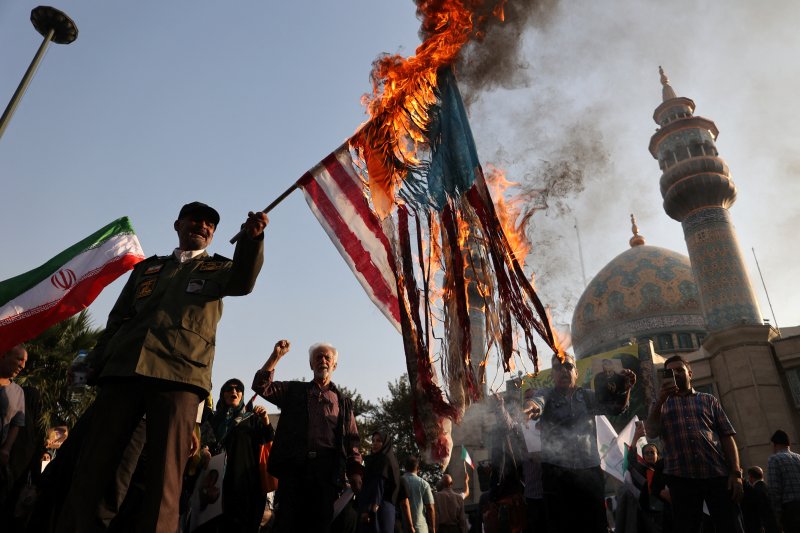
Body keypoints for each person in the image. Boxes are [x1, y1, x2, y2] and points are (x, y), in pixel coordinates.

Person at [57, 202, 268, 533]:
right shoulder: (148, 269)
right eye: (194, 220)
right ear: (177, 225)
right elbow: (117, 319)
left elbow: (244, 279)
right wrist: (89, 364)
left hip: (180, 377)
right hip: (123, 372)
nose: (202, 226)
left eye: (210, 224)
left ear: (214, 234)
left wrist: (253, 240)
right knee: (93, 468)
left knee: (165, 478)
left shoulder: (220, 269)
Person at [252, 339, 363, 533]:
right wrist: (276, 356)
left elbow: (352, 439)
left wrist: (355, 472)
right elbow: (261, 385)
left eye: (327, 357)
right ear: (311, 364)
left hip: (326, 473)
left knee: (319, 525)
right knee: (287, 524)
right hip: (294, 469)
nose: (323, 360)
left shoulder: (343, 403)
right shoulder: (293, 391)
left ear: (334, 365)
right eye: (317, 357)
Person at [526, 353, 635, 533]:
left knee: (595, 525)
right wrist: (527, 410)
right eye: (558, 367)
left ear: (576, 372)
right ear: (552, 374)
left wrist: (626, 388)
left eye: (568, 366)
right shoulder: (546, 394)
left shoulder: (587, 396)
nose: (563, 371)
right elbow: (536, 403)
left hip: (589, 472)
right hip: (556, 474)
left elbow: (616, 408)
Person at [645, 355, 743, 533]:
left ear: (690, 373)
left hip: (715, 474)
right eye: (671, 372)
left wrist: (735, 473)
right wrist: (660, 400)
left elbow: (726, 436)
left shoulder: (708, 400)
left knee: (730, 525)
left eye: (679, 370)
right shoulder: (660, 405)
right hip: (681, 478)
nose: (675, 374)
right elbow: (651, 432)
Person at [205, 378, 274, 533]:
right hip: (217, 486)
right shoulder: (214, 421)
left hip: (247, 486)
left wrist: (265, 421)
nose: (234, 392)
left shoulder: (252, 419)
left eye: (238, 389)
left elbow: (269, 441)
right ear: (222, 395)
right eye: (229, 389)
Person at [358, 430, 401, 533]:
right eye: (373, 441)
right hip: (387, 509)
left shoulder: (383, 460)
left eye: (379, 441)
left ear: (385, 443)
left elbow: (378, 486)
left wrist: (370, 511)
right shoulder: (390, 460)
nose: (374, 443)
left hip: (377, 509)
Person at [0, 345, 27, 509]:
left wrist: (6, 450)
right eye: (19, 359)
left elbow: (16, 424)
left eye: (25, 362)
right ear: (4, 355)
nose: (23, 365)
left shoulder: (18, 392)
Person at [767, 429, 800, 532]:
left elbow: (774, 489)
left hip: (791, 509)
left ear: (774, 444)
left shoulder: (774, 459)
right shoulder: (798, 457)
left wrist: (777, 514)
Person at [402, 456, 435, 533]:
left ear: (405, 467)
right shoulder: (424, 484)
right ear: (418, 468)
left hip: (402, 527)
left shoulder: (398, 482)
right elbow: (430, 508)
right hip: (421, 528)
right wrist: (433, 528)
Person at [741, 466, 779, 533]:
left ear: (750, 477)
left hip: (764, 526)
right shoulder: (768, 487)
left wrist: (761, 525)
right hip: (774, 523)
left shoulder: (755, 490)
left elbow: (759, 509)